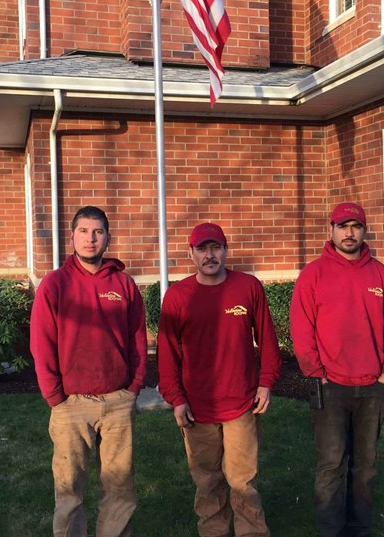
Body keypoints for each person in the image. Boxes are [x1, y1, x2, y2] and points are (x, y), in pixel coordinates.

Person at [157, 222, 282, 537]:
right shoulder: (177, 296)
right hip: (198, 407)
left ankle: (251, 531)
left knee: (243, 480)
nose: (209, 255)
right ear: (191, 254)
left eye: (215, 248)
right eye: (202, 249)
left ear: (226, 250)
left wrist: (266, 382)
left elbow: (267, 339)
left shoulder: (248, 287)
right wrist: (176, 399)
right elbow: (167, 354)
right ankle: (213, 531)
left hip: (242, 404)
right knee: (207, 480)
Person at [30, 206, 148, 537]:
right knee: (69, 491)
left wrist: (133, 387)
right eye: (83, 231)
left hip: (118, 402)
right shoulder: (55, 284)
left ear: (107, 238)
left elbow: (138, 339)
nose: (90, 238)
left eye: (97, 231)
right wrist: (55, 396)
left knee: (120, 488)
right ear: (72, 236)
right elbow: (41, 343)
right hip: (71, 405)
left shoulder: (123, 284)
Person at [289, 202, 384, 537]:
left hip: (372, 387)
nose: (349, 233)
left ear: (364, 231)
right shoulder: (314, 274)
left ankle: (359, 529)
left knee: (365, 466)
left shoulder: (380, 275)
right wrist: (317, 373)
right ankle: (331, 530)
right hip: (330, 386)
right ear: (331, 230)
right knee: (331, 465)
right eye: (343, 226)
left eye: (356, 226)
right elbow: (302, 329)